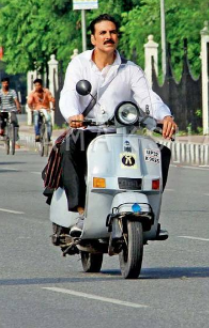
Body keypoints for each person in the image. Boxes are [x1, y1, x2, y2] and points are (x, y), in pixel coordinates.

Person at [59, 14, 177, 235]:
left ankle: (151, 211)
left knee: (160, 153)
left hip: (122, 133)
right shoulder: (79, 65)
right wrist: (73, 114)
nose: (108, 37)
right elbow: (68, 94)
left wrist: (165, 117)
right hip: (89, 131)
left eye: (112, 32)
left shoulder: (130, 69)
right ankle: (82, 212)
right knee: (68, 147)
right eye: (102, 33)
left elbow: (148, 99)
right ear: (93, 38)